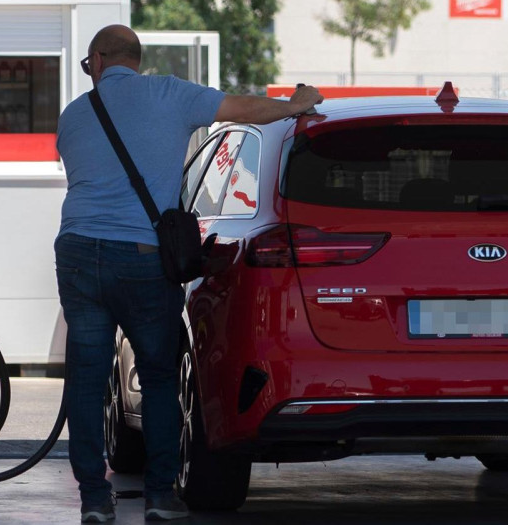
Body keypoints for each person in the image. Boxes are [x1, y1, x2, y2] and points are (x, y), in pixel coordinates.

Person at [54, 24, 323, 523]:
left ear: (96, 59)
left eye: (88, 65)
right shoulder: (169, 94)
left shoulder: (74, 115)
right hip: (139, 255)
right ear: (136, 59)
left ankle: (94, 499)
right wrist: (294, 103)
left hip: (77, 253)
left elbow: (80, 175)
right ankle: (158, 496)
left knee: (87, 378)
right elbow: (244, 110)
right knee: (159, 377)